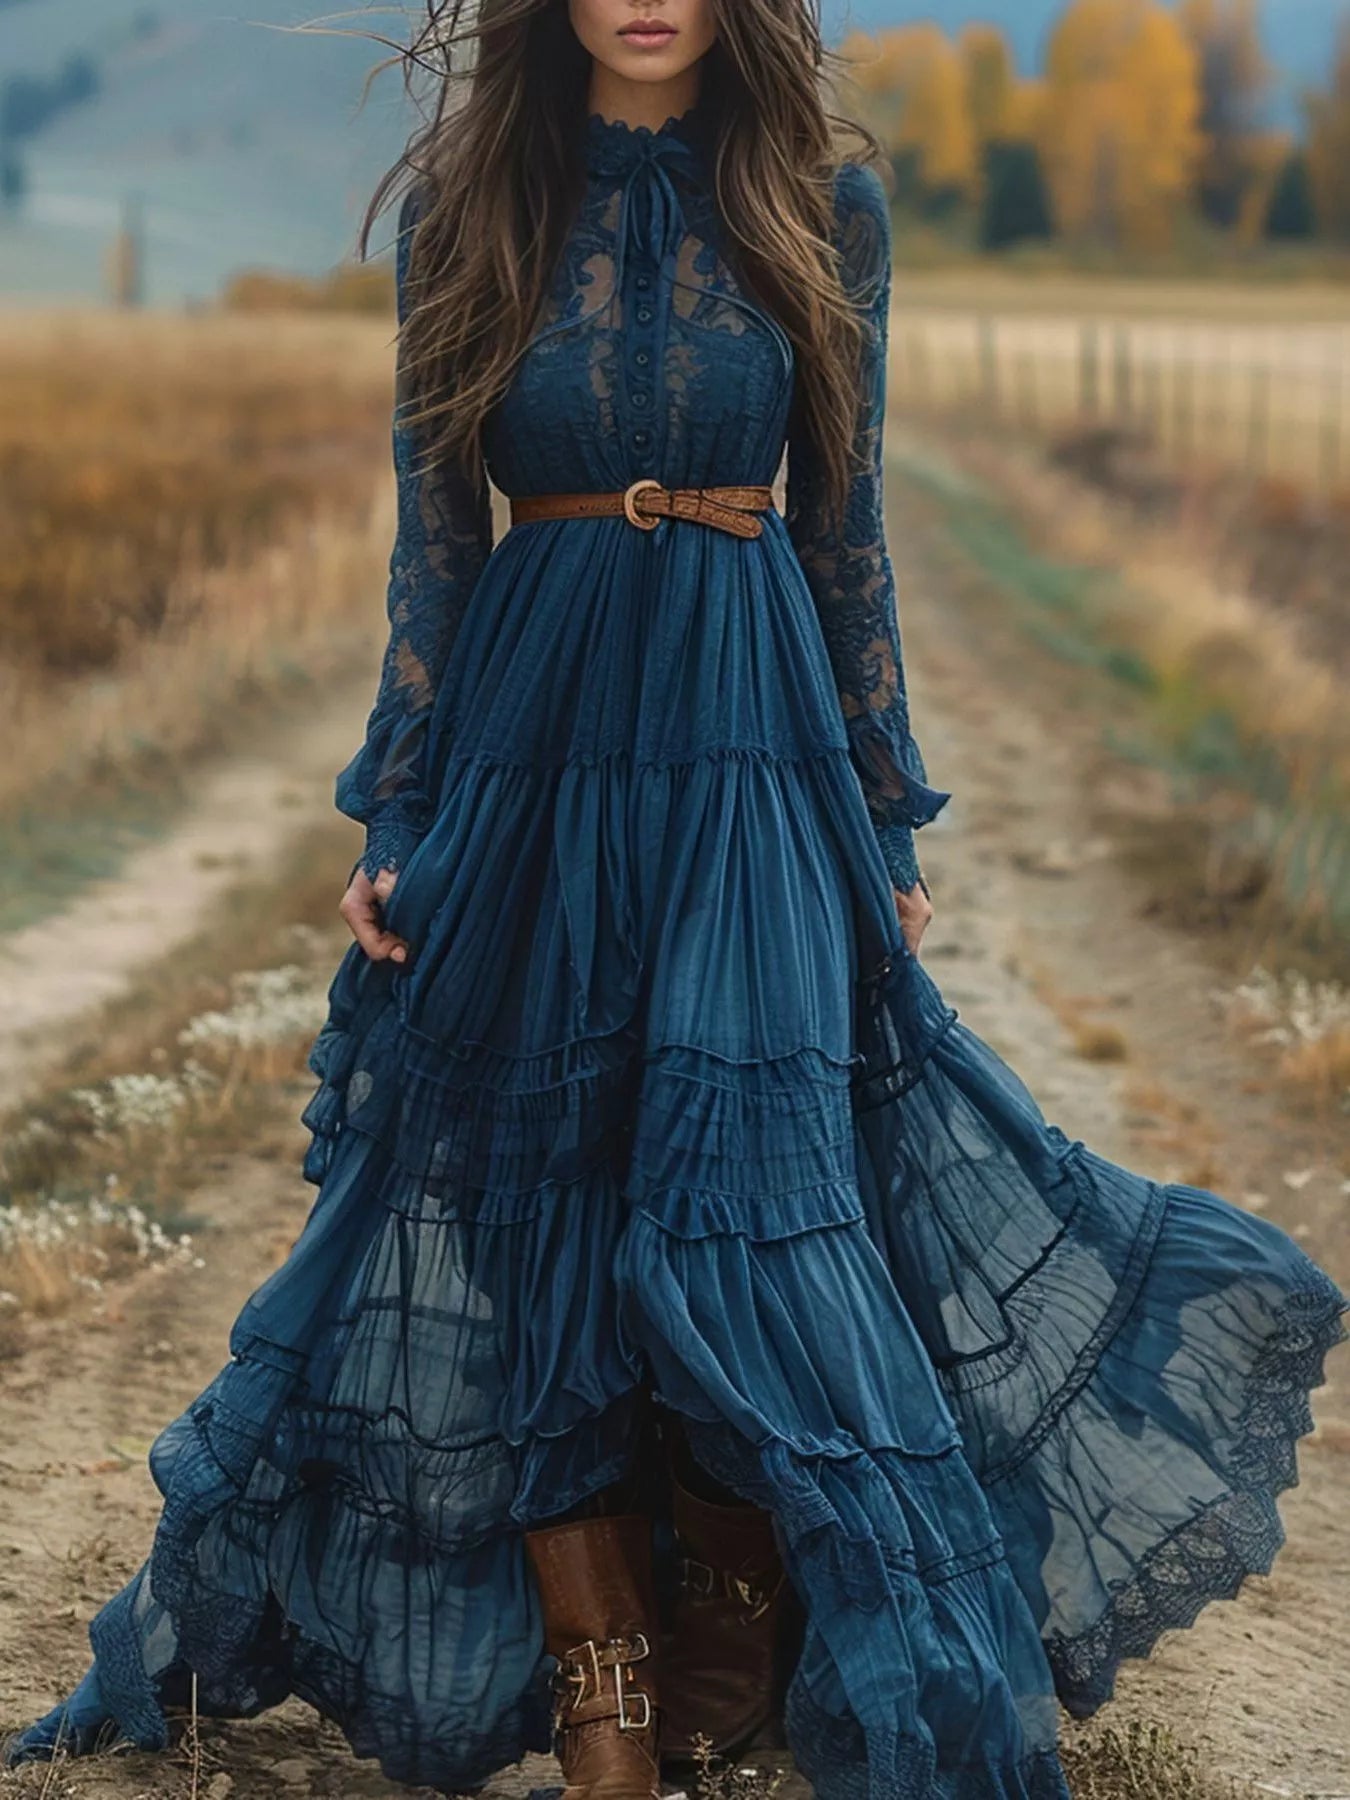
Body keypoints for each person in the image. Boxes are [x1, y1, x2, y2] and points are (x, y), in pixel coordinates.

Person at [6, 3, 1346, 1796]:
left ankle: (730, 1634)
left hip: (748, 737)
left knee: (750, 1185)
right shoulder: (469, 210)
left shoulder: (816, 204)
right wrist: (401, 803)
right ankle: (601, 1681)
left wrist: (880, 817)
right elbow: (434, 537)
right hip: (532, 739)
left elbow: (844, 528)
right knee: (536, 1194)